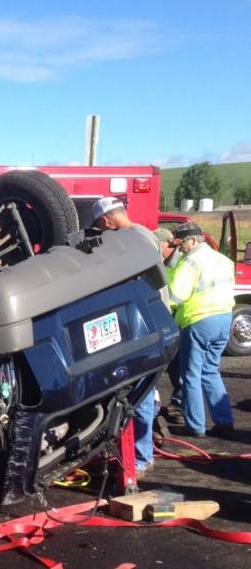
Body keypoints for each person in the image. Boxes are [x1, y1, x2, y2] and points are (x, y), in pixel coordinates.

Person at [91, 197, 163, 473]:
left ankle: (140, 457)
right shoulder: (144, 235)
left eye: (101, 225)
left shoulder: (128, 241)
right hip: (150, 323)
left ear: (107, 220)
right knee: (142, 390)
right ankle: (135, 453)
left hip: (143, 326)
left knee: (138, 393)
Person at [168, 222, 235, 438]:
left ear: (194, 240)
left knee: (191, 375)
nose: (181, 248)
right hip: (224, 319)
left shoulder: (191, 262)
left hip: (199, 321)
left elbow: (176, 295)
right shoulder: (223, 259)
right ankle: (224, 421)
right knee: (211, 370)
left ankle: (195, 426)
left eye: (182, 243)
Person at [153, 228, 184, 423]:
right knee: (172, 365)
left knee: (177, 365)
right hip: (170, 318)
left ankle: (180, 405)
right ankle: (178, 403)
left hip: (177, 318)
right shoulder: (164, 263)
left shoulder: (178, 263)